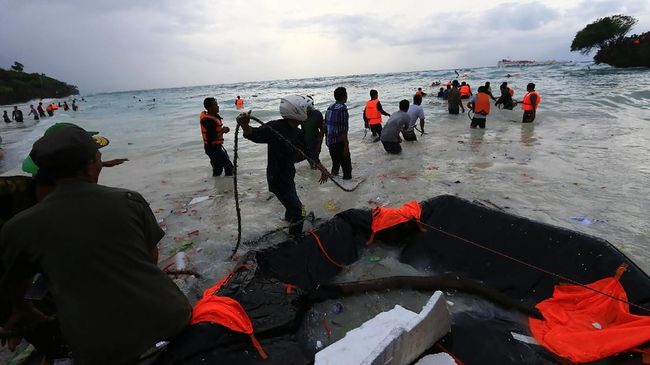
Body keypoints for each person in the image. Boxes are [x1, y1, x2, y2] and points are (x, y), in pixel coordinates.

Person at [0, 126, 190, 365]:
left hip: (97, 348)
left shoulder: (17, 227)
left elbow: (16, 283)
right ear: (91, 167)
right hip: (172, 319)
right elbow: (150, 258)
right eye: (99, 159)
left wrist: (21, 309)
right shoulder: (130, 200)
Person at [235, 95, 328, 236]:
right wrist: (244, 125)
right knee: (299, 211)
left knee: (292, 205)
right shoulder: (275, 127)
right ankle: (294, 239)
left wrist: (322, 168)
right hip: (277, 179)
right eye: (306, 110)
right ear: (297, 111)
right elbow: (254, 134)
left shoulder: (297, 132)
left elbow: (309, 153)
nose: (309, 112)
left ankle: (286, 221)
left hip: (288, 176)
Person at [200, 97, 233, 176]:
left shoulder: (213, 116)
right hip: (213, 149)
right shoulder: (208, 120)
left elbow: (215, 132)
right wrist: (223, 130)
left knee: (218, 168)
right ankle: (229, 186)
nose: (218, 106)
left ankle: (218, 185)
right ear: (209, 108)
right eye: (215, 105)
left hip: (213, 147)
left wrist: (223, 130)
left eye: (217, 104)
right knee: (229, 167)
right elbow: (212, 137)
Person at [326, 87, 353, 179]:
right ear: (345, 96)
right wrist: (346, 146)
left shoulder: (330, 107)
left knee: (335, 165)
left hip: (330, 141)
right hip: (339, 142)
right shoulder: (342, 108)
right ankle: (347, 185)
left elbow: (325, 125)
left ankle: (334, 184)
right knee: (347, 169)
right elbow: (343, 130)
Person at [300, 96, 325, 169]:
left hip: (315, 142)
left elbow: (322, 130)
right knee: (312, 161)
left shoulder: (317, 114)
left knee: (315, 160)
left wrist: (319, 144)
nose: (307, 109)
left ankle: (317, 173)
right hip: (305, 142)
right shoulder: (302, 114)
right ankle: (315, 172)